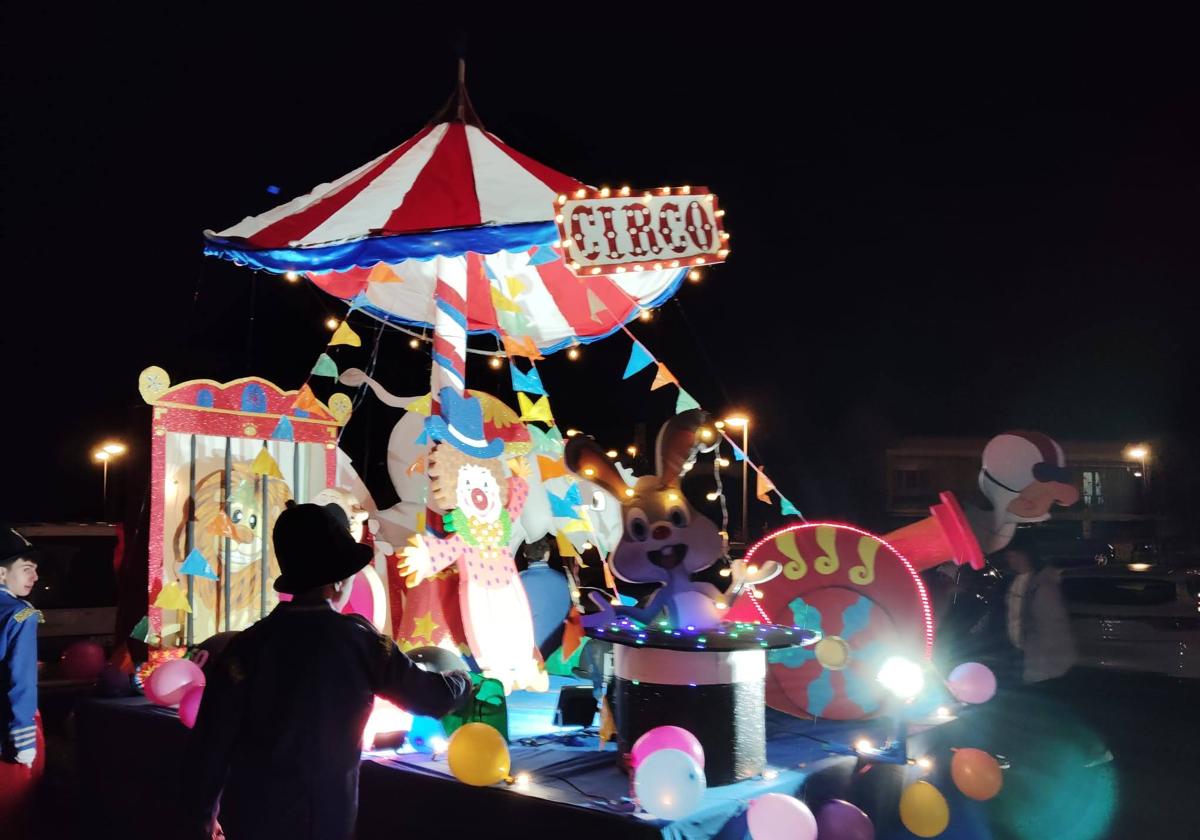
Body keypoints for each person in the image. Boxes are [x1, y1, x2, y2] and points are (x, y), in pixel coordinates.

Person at [181, 502, 472, 840]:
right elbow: (432, 697)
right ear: (338, 582)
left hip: (253, 817)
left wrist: (203, 817)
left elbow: (209, 747)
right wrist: (461, 679)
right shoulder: (362, 643)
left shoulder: (246, 648)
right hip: (326, 820)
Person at [0, 526, 43, 838]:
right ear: (2, 574)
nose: (35, 577)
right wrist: (24, 742)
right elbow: (21, 682)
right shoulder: (19, 615)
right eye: (27, 569)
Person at [1001, 529, 1077, 684]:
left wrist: (1045, 662)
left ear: (1024, 555)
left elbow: (1052, 628)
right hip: (1025, 655)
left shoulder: (1043, 586)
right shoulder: (1018, 581)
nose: (1009, 560)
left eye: (1012, 556)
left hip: (1042, 664)